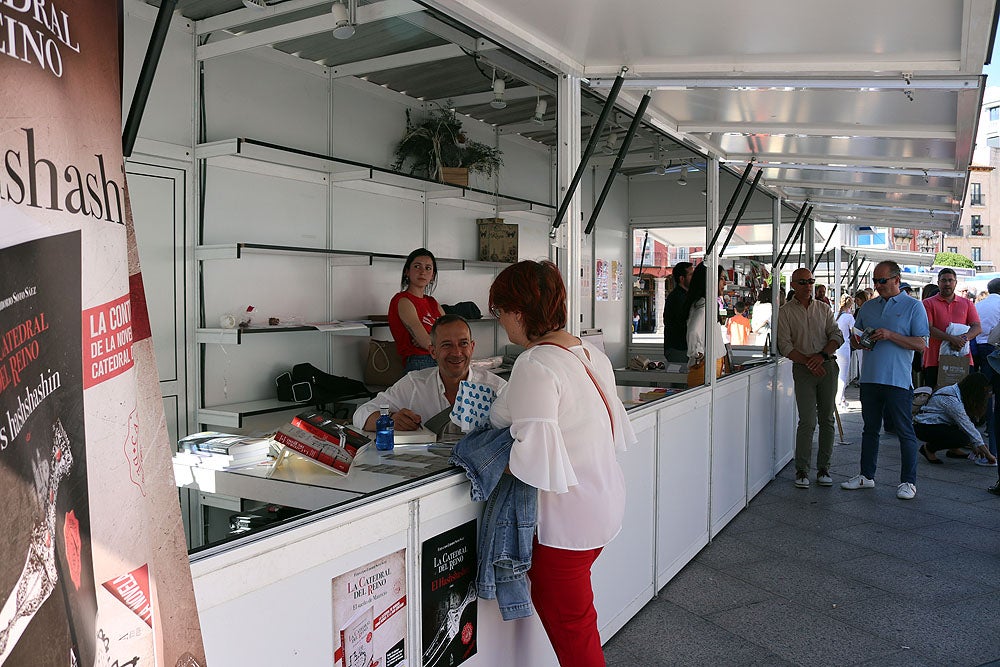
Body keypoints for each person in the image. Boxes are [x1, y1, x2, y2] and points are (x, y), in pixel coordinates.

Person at [486, 260, 636, 667]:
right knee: (578, 626)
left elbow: (528, 456)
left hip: (564, 527)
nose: (501, 324)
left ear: (519, 312)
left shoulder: (535, 364)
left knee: (577, 640)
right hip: (601, 508)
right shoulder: (587, 352)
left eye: (500, 313)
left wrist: (481, 461)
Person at [841, 261, 929, 500]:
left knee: (904, 431)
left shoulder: (913, 306)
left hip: (898, 380)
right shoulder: (868, 307)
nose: (878, 285)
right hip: (869, 378)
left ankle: (908, 482)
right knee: (869, 429)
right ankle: (866, 475)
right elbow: (855, 338)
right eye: (875, 281)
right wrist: (857, 342)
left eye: (882, 281)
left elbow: (921, 344)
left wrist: (890, 335)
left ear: (896, 280)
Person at [354, 314, 505, 432]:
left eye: (463, 343)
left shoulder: (496, 388)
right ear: (433, 351)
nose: (457, 352)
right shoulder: (414, 384)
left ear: (472, 347)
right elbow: (361, 414)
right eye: (447, 345)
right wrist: (391, 420)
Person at [777, 267, 844, 488]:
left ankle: (824, 467)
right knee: (807, 421)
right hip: (804, 370)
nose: (808, 286)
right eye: (803, 282)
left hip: (826, 367)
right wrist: (809, 361)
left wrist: (821, 355)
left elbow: (837, 335)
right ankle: (802, 470)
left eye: (811, 281)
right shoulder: (785, 312)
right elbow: (784, 345)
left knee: (827, 419)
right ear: (794, 285)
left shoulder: (824, 309)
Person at [914, 373, 997, 465]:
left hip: (940, 423)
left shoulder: (958, 391)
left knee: (971, 423)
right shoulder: (951, 399)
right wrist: (988, 454)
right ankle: (928, 449)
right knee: (962, 438)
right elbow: (967, 425)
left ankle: (953, 450)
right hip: (924, 426)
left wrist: (977, 444)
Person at [388, 248, 447, 374]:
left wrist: (431, 339)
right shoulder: (403, 300)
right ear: (407, 272)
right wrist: (432, 339)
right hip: (420, 360)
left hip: (440, 358)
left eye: (428, 268)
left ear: (433, 276)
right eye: (417, 266)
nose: (422, 272)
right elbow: (425, 341)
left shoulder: (432, 302)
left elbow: (450, 333)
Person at [922, 267, 981, 389]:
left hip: (962, 359)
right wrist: (953, 339)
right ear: (938, 283)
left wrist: (963, 338)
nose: (947, 283)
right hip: (934, 360)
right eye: (944, 280)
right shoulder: (927, 303)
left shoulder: (967, 303)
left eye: (950, 280)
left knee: (962, 399)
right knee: (934, 398)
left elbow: (977, 327)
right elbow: (928, 328)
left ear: (956, 283)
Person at [684, 264, 727, 387]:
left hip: (710, 366)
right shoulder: (704, 306)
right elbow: (693, 331)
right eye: (721, 278)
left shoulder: (707, 305)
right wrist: (697, 353)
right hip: (705, 369)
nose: (724, 283)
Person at [662, 261, 693, 363]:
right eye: (691, 274)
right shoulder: (677, 298)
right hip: (678, 348)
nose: (694, 278)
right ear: (682, 279)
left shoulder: (685, 296)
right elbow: (682, 323)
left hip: (681, 347)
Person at [834, 294, 855, 409]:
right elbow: (854, 332)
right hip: (845, 347)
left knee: (837, 374)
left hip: (835, 347)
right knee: (843, 375)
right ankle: (839, 400)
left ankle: (841, 398)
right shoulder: (849, 317)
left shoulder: (835, 315)